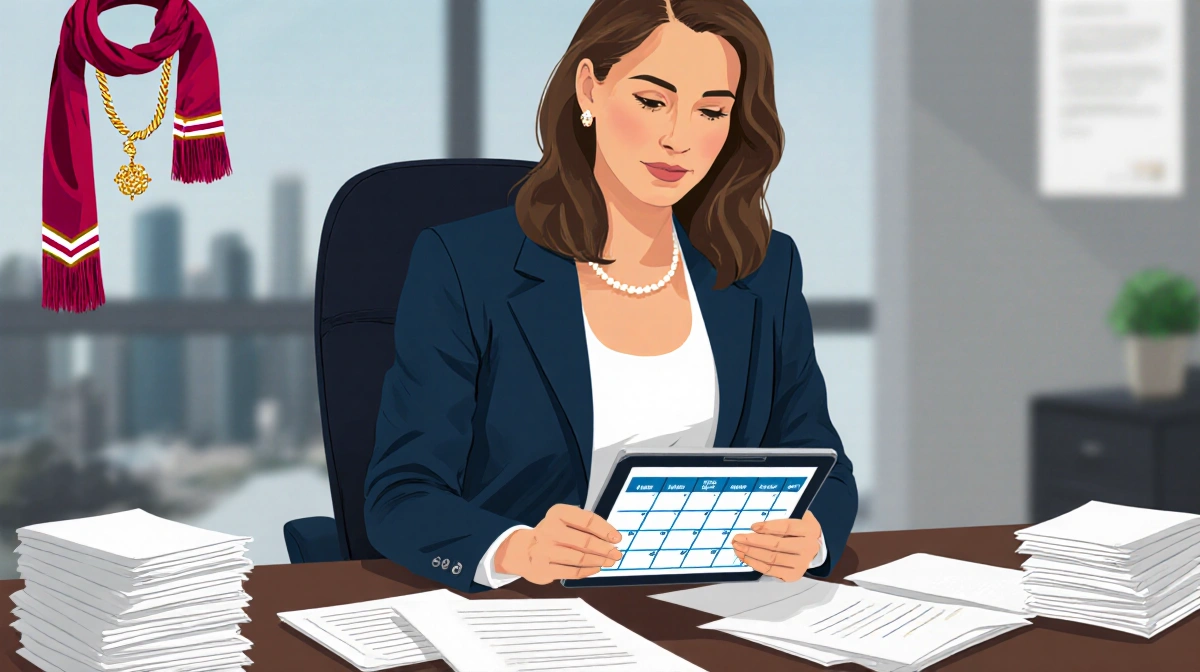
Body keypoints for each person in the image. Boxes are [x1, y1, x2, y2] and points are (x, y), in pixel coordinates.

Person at [364, 0, 858, 592]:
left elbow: (822, 465)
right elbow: (402, 495)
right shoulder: (467, 265)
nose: (679, 138)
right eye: (653, 101)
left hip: (712, 609)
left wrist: (812, 535)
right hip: (533, 616)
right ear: (589, 89)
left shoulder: (762, 267)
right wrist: (514, 549)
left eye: (711, 112)